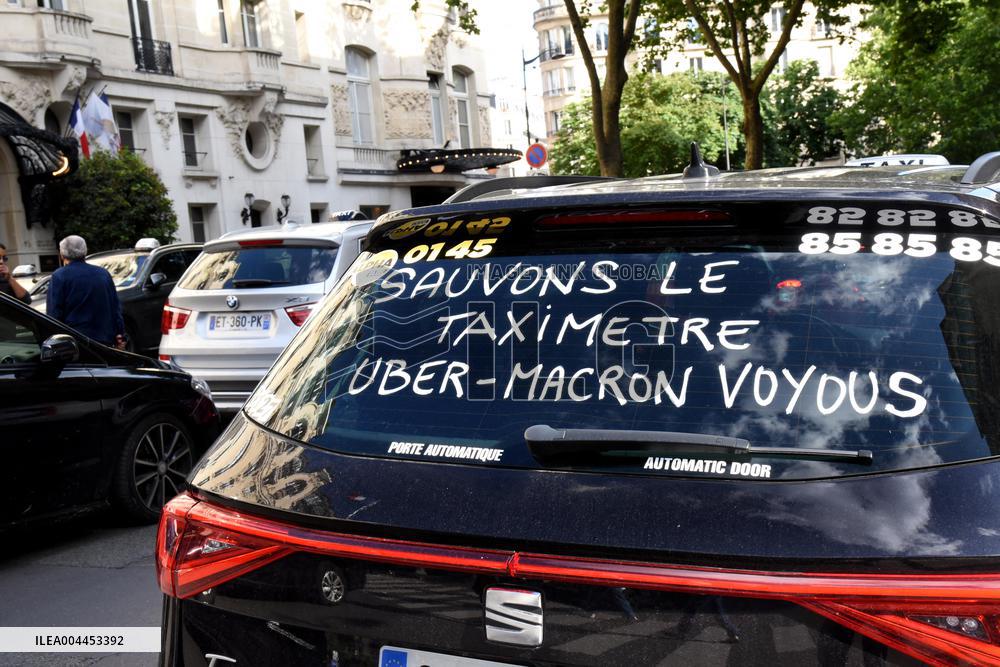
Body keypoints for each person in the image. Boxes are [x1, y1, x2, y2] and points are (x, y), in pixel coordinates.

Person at [47, 235, 126, 349]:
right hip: (104, 340)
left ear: (62, 255)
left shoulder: (59, 276)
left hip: (76, 342)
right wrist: (120, 334)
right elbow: (115, 307)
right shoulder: (103, 274)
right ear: (85, 251)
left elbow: (54, 314)